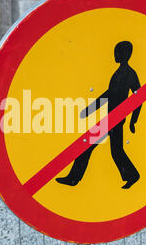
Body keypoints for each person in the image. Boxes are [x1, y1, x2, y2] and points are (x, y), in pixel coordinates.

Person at [56, 41, 141, 189]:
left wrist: (133, 121)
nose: (115, 54)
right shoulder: (118, 74)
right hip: (110, 118)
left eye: (117, 52)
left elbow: (138, 98)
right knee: (113, 150)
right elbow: (109, 94)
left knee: (95, 148)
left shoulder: (130, 74)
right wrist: (90, 109)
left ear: (124, 54)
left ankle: (74, 178)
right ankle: (132, 175)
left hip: (115, 119)